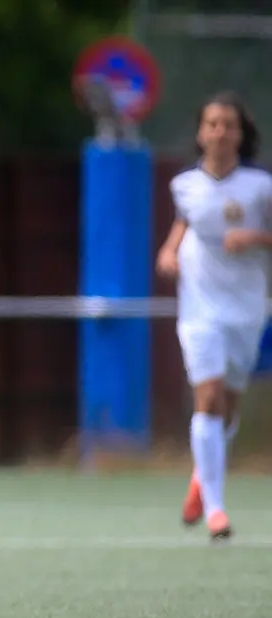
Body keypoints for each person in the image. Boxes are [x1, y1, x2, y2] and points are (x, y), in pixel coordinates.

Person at [156, 90, 272, 540]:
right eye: (213, 124)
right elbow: (186, 222)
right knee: (208, 397)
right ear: (201, 133)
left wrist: (256, 239)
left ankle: (202, 478)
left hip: (246, 307)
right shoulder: (184, 184)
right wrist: (168, 251)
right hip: (199, 306)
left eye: (229, 125)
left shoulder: (260, 187)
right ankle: (217, 511)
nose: (220, 132)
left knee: (229, 404)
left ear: (241, 134)